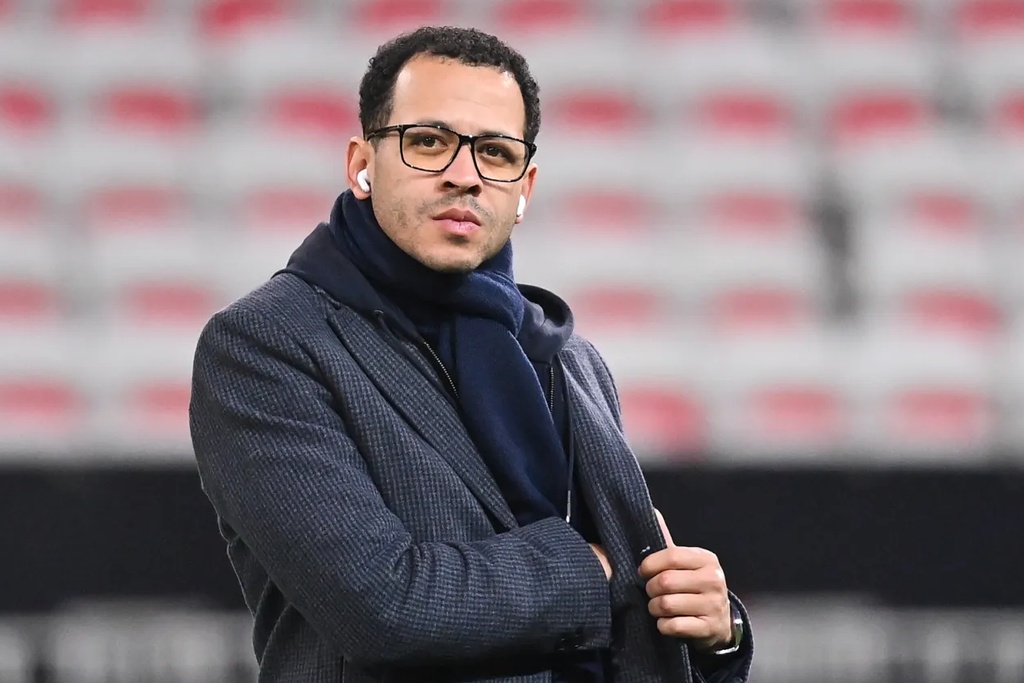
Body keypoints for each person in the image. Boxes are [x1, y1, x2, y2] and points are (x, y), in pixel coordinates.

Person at [190, 26, 754, 683]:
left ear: (525, 188)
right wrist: (594, 570)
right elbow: (384, 608)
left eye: (495, 152)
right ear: (361, 164)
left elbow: (630, 619)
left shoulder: (569, 359)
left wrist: (714, 630)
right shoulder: (265, 344)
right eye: (429, 142)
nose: (465, 176)